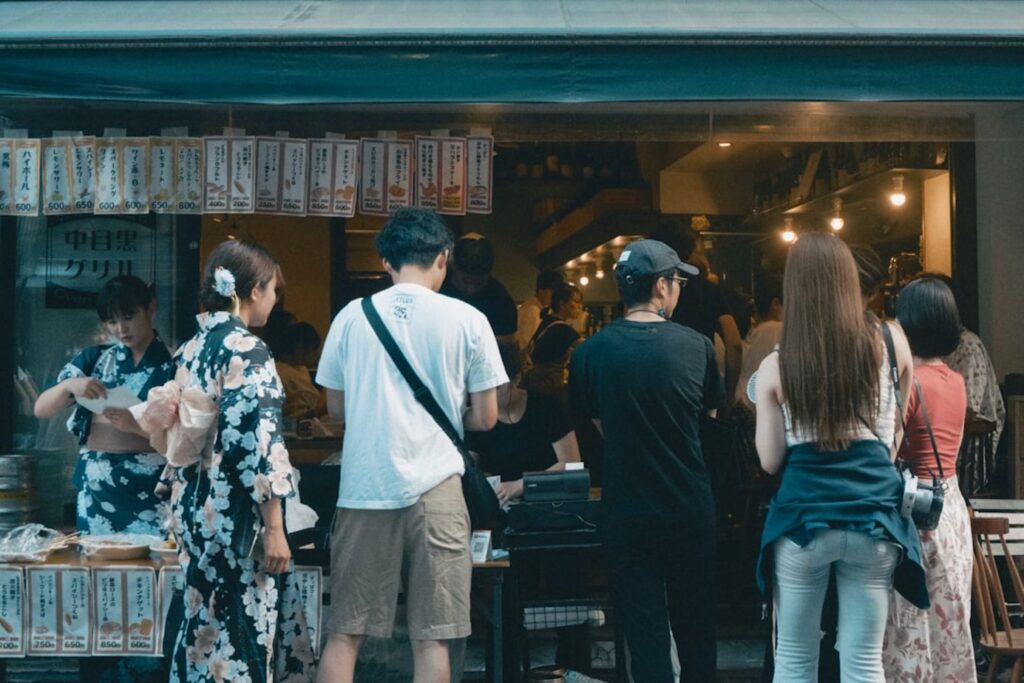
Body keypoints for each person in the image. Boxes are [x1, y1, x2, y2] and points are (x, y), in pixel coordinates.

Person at [315, 208, 506, 683]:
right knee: (433, 637)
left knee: (344, 633)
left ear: (386, 262)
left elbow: (336, 412)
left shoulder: (349, 318)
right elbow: (486, 417)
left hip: (364, 487)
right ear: (444, 257)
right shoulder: (469, 319)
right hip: (438, 490)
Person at [754, 233, 928, 682]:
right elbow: (892, 443)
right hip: (873, 519)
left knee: (794, 658)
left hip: (804, 523)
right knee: (863, 659)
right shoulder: (892, 343)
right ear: (849, 279)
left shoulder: (778, 364)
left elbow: (770, 461)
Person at [162, 240, 315, 682]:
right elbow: (259, 444)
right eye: (272, 290)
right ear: (252, 291)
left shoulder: (190, 348)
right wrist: (274, 528)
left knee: (203, 635)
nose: (274, 300)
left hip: (194, 510)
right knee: (242, 635)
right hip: (237, 521)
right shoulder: (248, 349)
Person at [570, 239, 721, 682]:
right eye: (676, 281)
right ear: (660, 286)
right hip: (688, 506)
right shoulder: (697, 347)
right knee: (696, 628)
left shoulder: (588, 354)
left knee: (644, 631)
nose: (678, 290)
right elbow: (706, 423)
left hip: (626, 510)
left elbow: (597, 424)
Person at [882, 277, 977, 681]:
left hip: (917, 510)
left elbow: (890, 448)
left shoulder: (911, 382)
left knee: (910, 622)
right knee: (948, 620)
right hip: (951, 508)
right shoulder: (956, 381)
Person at [34, 275, 173, 536]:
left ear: (151, 309)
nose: (121, 329)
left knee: (149, 568)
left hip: (152, 485)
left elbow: (186, 436)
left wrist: (138, 426)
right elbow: (41, 409)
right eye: (112, 321)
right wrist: (69, 386)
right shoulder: (94, 358)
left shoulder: (175, 362)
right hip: (99, 485)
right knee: (96, 563)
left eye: (129, 316)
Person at [470, 340, 581, 504]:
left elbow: (572, 464)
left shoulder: (547, 408)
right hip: (498, 506)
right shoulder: (476, 419)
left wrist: (521, 485)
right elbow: (470, 470)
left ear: (516, 380)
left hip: (546, 503)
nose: (487, 396)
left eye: (496, 387)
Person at [649, 222, 743, 412]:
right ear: (689, 252)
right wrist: (729, 395)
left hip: (656, 393)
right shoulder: (708, 289)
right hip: (700, 390)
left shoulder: (646, 291)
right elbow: (734, 344)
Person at [440, 232, 518, 342]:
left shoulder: (501, 301)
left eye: (478, 283)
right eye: (465, 282)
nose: (470, 289)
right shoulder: (436, 288)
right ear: (453, 268)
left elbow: (506, 345)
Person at [524, 282, 584, 397]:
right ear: (562, 304)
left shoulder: (548, 321)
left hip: (533, 382)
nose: (580, 306)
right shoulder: (562, 328)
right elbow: (591, 348)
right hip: (547, 384)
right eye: (576, 302)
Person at [736, 275, 783, 410]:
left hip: (746, 408)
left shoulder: (754, 333)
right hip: (763, 411)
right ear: (775, 304)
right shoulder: (777, 330)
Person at [275, 322, 326, 420]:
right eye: (313, 348)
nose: (315, 354)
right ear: (300, 347)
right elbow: (300, 408)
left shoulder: (301, 370)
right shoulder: (282, 373)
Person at [516, 270, 564, 351]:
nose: (554, 296)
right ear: (541, 290)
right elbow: (525, 344)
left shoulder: (538, 308)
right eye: (552, 291)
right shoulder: (532, 310)